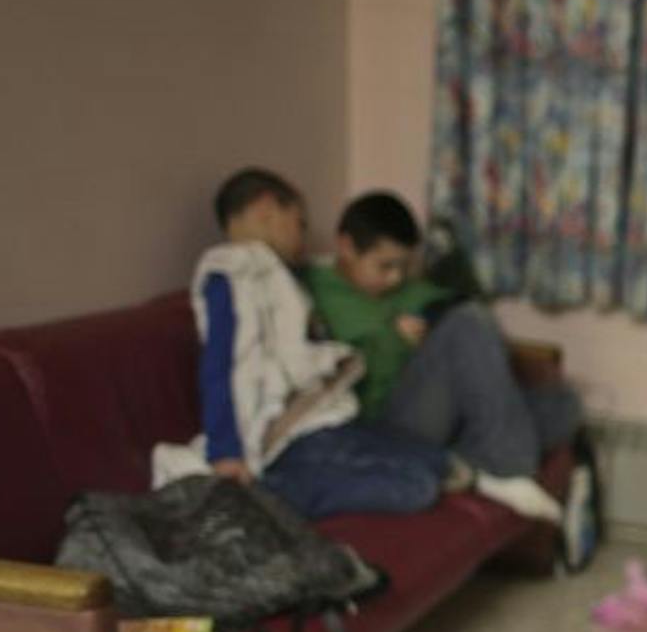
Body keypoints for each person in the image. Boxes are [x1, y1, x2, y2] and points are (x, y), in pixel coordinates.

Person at [153, 169, 451, 521]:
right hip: (290, 440)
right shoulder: (231, 272)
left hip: (319, 420)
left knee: (438, 462)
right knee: (418, 487)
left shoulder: (281, 277)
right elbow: (221, 365)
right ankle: (272, 496)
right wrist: (225, 453)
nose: (304, 238)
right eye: (300, 224)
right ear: (266, 209)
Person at [305, 190, 588, 537]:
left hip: (443, 413)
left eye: (403, 266)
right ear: (346, 247)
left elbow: (458, 315)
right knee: (469, 321)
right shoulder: (314, 289)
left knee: (564, 404)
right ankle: (506, 468)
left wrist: (432, 333)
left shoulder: (408, 289)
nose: (395, 278)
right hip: (383, 424)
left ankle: (468, 463)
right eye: (384, 266)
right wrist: (396, 340)